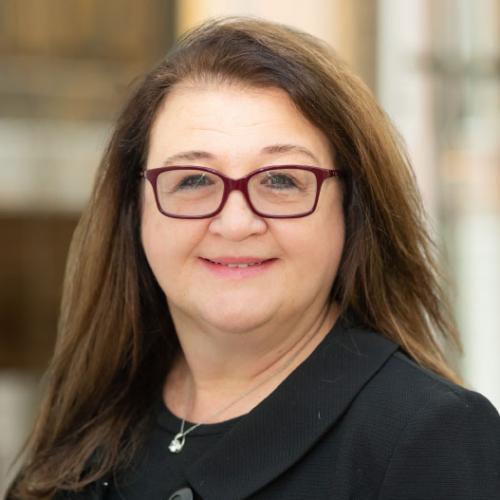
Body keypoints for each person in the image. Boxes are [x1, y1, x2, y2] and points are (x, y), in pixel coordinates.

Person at [8, 17, 500, 500]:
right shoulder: (90, 425)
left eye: (281, 180)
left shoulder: (431, 438)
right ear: (134, 209)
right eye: (193, 180)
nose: (236, 222)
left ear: (351, 209)